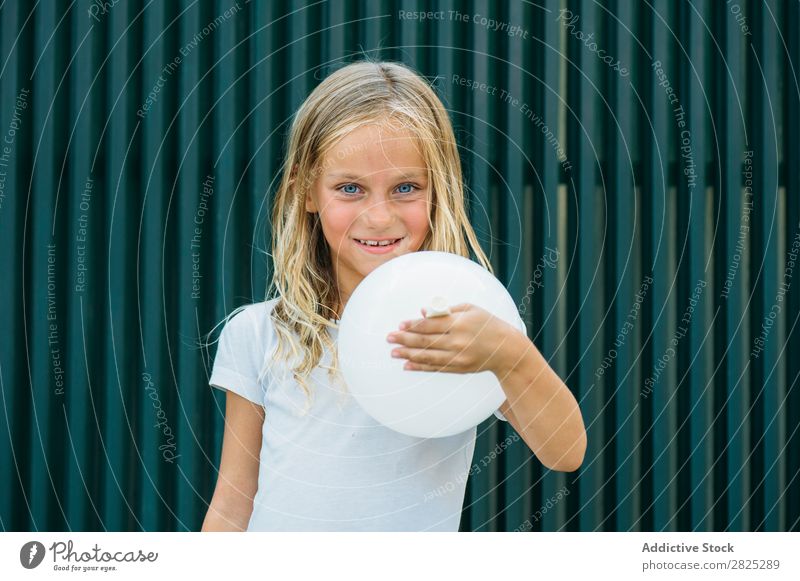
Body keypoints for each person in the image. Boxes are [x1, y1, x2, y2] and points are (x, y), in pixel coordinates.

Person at [201, 60, 586, 532]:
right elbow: (232, 504)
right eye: (350, 189)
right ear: (306, 190)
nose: (380, 217)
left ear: (438, 191)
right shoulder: (259, 332)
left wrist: (510, 356)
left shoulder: (464, 329)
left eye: (406, 187)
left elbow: (565, 452)